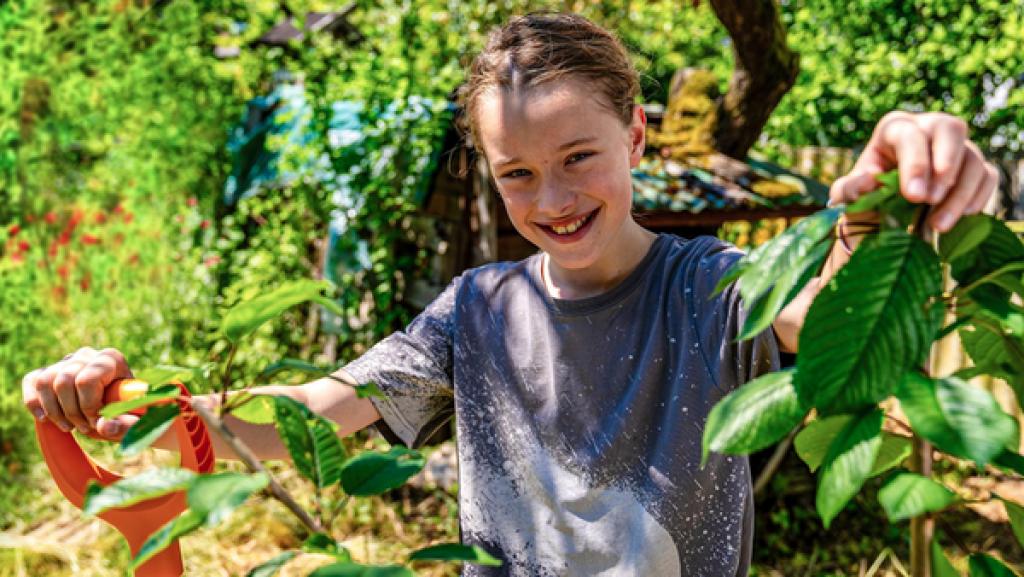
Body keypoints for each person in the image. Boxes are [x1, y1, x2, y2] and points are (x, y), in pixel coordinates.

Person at [21, 12, 998, 577]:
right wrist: (148, 415)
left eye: (578, 157)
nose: (553, 199)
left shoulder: (709, 290)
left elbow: (821, 312)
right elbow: (314, 414)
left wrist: (878, 206)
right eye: (515, 173)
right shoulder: (475, 310)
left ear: (638, 139)